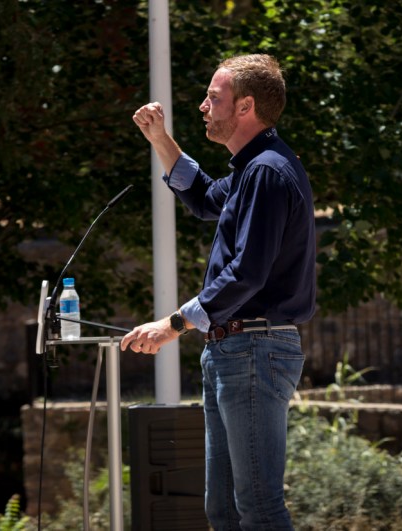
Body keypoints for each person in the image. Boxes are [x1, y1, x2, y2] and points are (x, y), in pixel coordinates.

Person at [121, 54, 316, 530]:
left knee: (259, 508)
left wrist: (173, 325)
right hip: (236, 348)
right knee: (224, 511)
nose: (203, 105)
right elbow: (207, 198)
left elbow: (247, 272)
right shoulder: (254, 169)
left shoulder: (267, 172)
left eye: (214, 97)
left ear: (245, 106)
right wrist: (161, 141)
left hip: (254, 348)